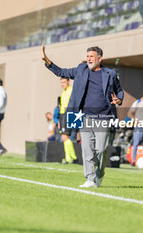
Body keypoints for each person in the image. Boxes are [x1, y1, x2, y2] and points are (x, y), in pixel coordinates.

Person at [41, 45, 124, 188]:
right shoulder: (81, 69)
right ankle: (90, 178)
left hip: (103, 117)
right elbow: (61, 71)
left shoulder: (109, 73)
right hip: (85, 117)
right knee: (87, 149)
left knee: (102, 149)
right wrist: (47, 60)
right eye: (87, 57)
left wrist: (119, 99)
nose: (88, 59)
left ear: (99, 58)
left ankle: (100, 173)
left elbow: (119, 91)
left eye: (91, 57)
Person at [58, 77, 77, 164]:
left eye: (64, 82)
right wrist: (59, 120)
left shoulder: (71, 91)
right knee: (64, 137)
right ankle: (71, 157)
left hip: (67, 114)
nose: (62, 84)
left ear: (68, 82)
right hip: (62, 115)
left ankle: (70, 158)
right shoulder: (63, 92)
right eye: (61, 83)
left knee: (65, 136)